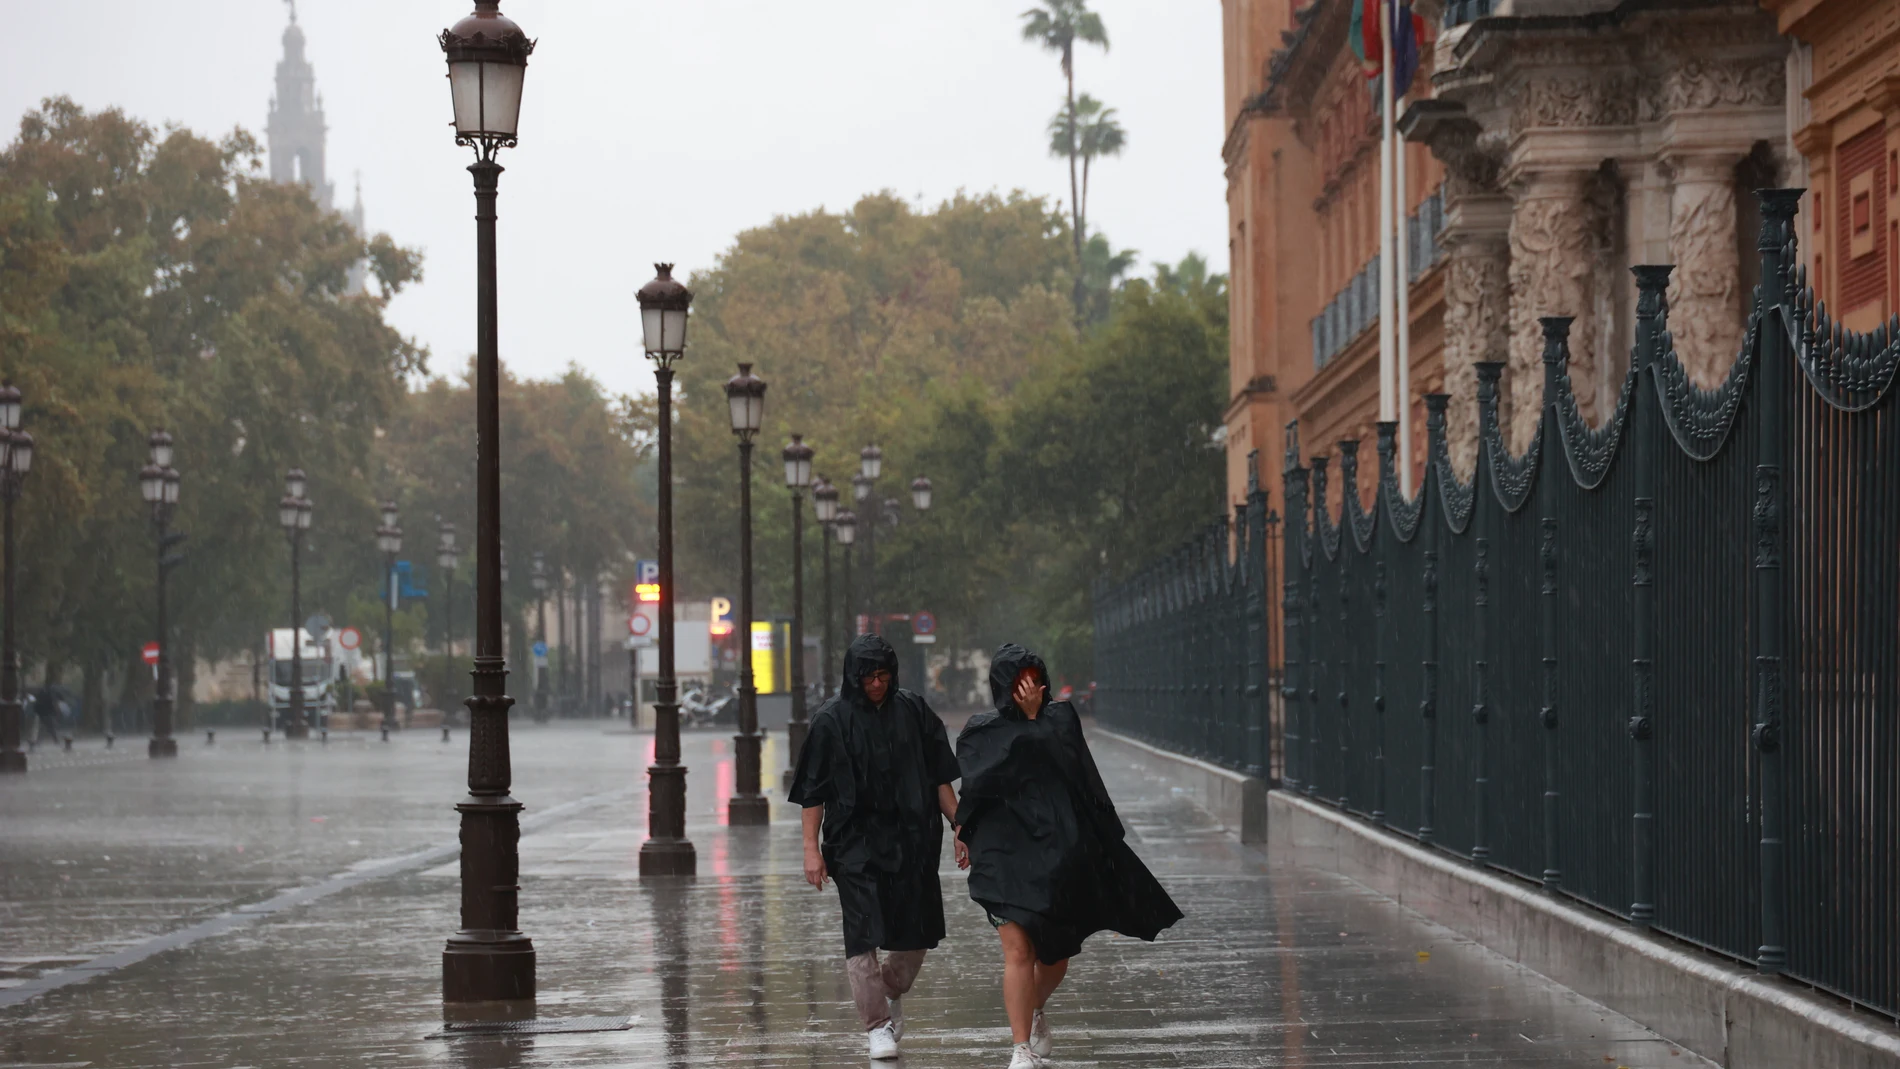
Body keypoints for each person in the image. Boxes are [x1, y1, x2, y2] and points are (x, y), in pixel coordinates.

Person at [956, 643, 1183, 1068]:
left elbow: (1077, 773)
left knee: (1056, 955)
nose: (1029, 689)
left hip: (1059, 852)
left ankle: (1032, 1008)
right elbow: (981, 784)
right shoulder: (980, 731)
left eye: (1034, 678)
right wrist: (960, 831)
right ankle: (1019, 1047)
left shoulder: (1061, 720)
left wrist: (1031, 720)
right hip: (1003, 854)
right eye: (1018, 681)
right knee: (1018, 950)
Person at [787, 632, 966, 1060]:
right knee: (862, 931)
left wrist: (961, 825)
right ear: (854, 677)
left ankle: (889, 988)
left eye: (884, 675)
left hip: (913, 839)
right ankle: (877, 1025)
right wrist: (811, 850)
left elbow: (939, 776)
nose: (877, 684)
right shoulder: (831, 722)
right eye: (868, 677)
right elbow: (813, 792)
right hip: (854, 844)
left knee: (916, 930)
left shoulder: (915, 712)